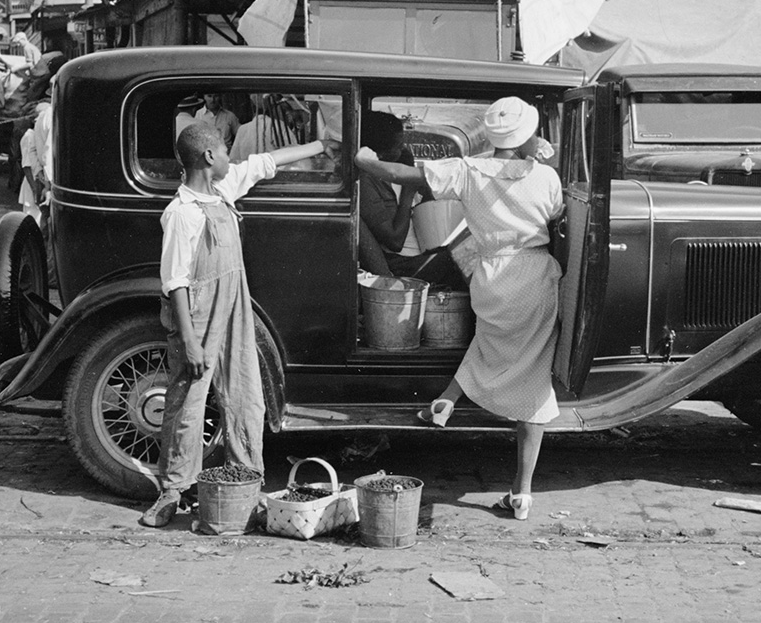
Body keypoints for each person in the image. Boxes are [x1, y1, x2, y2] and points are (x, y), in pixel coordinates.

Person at [354, 97, 563, 521]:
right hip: (534, 276)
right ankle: (521, 493)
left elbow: (399, 173)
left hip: (491, 280)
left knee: (487, 343)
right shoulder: (547, 176)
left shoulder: (467, 171)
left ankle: (445, 401)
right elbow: (556, 215)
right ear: (527, 136)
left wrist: (363, 159)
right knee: (535, 382)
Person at [142, 122, 338, 528]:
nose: (232, 156)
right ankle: (172, 492)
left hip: (234, 307)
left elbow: (265, 162)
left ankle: (246, 484)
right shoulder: (182, 214)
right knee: (187, 404)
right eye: (225, 150)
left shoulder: (222, 190)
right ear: (209, 157)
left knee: (246, 394)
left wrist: (321, 145)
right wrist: (192, 342)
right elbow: (175, 281)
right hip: (197, 315)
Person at [358, 111, 466, 288]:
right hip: (402, 264)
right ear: (381, 154)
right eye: (398, 146)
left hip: (423, 248)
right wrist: (407, 195)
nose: (403, 149)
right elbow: (394, 241)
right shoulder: (367, 183)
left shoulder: (402, 161)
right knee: (463, 260)